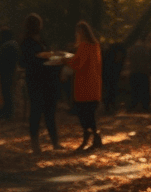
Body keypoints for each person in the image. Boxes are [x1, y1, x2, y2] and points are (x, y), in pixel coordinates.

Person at [19, 14, 61, 152]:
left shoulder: (42, 40)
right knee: (36, 110)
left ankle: (55, 142)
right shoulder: (26, 42)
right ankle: (36, 144)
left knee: (49, 111)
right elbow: (24, 62)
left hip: (48, 79)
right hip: (36, 79)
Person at [66, 21, 103, 151]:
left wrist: (65, 61)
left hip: (84, 86)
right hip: (94, 85)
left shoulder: (84, 46)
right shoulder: (96, 46)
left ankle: (91, 138)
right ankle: (95, 138)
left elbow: (78, 65)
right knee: (90, 114)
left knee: (84, 114)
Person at [0, 28, 20, 119]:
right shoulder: (14, 44)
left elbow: (0, 61)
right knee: (9, 92)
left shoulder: (5, 46)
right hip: (12, 71)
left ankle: (7, 113)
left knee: (6, 92)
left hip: (5, 71)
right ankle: (9, 112)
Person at [126, 37, 151, 111]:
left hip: (134, 71)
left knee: (134, 90)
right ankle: (145, 106)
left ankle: (134, 105)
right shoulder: (146, 49)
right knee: (144, 90)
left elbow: (128, 60)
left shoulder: (131, 49)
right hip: (143, 72)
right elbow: (150, 60)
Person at [101, 41, 126, 114]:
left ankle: (108, 106)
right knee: (112, 89)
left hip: (107, 73)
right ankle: (111, 105)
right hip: (113, 74)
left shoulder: (107, 53)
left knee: (108, 90)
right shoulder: (120, 51)